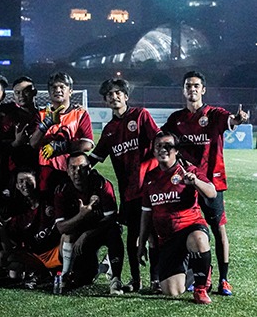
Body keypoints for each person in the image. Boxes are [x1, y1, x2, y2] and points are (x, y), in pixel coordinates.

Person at [163, 71, 249, 296]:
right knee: (188, 228)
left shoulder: (213, 114)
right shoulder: (176, 119)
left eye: (196, 86)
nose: (192, 89)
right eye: (188, 86)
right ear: (183, 90)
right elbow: (162, 140)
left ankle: (224, 279)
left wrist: (237, 120)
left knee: (219, 230)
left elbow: (230, 121)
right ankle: (198, 275)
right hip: (185, 185)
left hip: (212, 184)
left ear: (203, 90)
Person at [89, 78, 160, 292]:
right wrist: (75, 166)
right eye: (109, 94)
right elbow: (95, 157)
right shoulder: (109, 129)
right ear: (105, 101)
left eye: (118, 92)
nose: (114, 96)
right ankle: (136, 281)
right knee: (132, 238)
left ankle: (155, 280)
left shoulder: (140, 116)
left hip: (149, 189)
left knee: (152, 236)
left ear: (126, 96)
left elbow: (159, 141)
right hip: (128, 192)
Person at [138, 132, 216, 304]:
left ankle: (200, 289)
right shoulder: (151, 178)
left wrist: (195, 181)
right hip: (167, 239)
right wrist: (142, 242)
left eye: (167, 146)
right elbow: (146, 213)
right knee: (172, 291)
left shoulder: (189, 171)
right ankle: (199, 266)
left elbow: (212, 193)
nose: (162, 149)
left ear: (176, 151)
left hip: (191, 228)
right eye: (158, 146)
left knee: (198, 238)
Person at [53, 153, 125, 294]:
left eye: (82, 168)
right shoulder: (62, 190)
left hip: (99, 231)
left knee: (114, 231)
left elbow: (111, 218)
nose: (77, 173)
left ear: (90, 168)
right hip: (78, 236)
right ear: (67, 170)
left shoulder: (102, 185)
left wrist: (87, 234)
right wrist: (82, 215)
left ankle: (116, 279)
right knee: (84, 278)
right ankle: (70, 274)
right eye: (73, 168)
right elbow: (61, 228)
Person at [0, 168, 61, 290]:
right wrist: (2, 229)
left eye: (28, 180)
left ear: (36, 181)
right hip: (35, 257)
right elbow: (8, 249)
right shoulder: (18, 210)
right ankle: (37, 273)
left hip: (55, 252)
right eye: (21, 181)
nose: (24, 184)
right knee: (1, 258)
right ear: (17, 186)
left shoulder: (49, 199)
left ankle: (57, 272)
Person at [30, 71, 94, 193]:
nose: (57, 90)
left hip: (73, 172)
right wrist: (46, 124)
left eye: (62, 87)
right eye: (54, 87)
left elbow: (87, 144)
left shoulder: (80, 114)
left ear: (70, 91)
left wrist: (60, 146)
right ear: (49, 92)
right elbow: (33, 143)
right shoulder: (41, 115)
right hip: (46, 171)